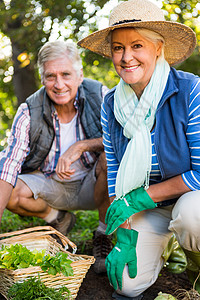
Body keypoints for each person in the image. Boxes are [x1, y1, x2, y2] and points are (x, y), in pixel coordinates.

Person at [78, 0, 200, 299]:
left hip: (189, 198)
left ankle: (196, 265)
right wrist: (123, 230)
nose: (126, 57)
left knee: (191, 215)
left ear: (158, 49)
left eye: (137, 45)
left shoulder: (190, 90)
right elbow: (118, 173)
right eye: (118, 48)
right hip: (147, 207)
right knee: (126, 284)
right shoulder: (111, 105)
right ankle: (164, 244)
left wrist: (141, 197)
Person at [0, 40, 113, 274]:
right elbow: (9, 166)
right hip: (52, 185)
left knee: (110, 159)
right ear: (42, 78)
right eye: (51, 76)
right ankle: (58, 217)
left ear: (80, 75)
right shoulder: (28, 110)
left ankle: (103, 234)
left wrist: (82, 146)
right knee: (11, 191)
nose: (59, 84)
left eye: (66, 74)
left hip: (96, 184)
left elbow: (122, 138)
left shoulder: (100, 95)